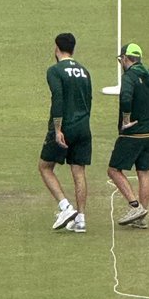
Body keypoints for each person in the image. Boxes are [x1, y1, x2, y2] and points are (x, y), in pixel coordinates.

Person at [107, 43, 149, 228]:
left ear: (126, 58)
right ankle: (141, 217)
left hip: (132, 135)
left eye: (121, 60)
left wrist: (126, 119)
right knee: (144, 173)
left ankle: (135, 206)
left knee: (113, 170)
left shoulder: (129, 77)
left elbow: (126, 98)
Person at [38, 32, 92, 233]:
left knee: (45, 167)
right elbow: (89, 99)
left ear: (57, 48)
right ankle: (81, 219)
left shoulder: (55, 71)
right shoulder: (85, 71)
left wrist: (58, 128)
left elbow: (58, 98)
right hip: (84, 126)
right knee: (78, 171)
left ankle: (65, 207)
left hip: (65, 126)